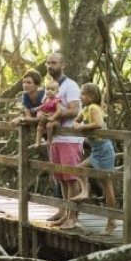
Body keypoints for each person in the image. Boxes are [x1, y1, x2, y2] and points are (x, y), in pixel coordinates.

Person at [43, 52, 84, 229]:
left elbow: (75, 110)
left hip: (69, 138)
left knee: (71, 178)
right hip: (55, 139)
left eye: (54, 63)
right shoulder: (50, 86)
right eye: (48, 63)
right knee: (60, 178)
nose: (50, 66)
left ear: (63, 65)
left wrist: (55, 116)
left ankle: (73, 216)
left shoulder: (71, 85)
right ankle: (63, 212)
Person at [74, 82, 117, 235]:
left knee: (106, 185)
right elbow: (77, 120)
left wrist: (81, 128)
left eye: (83, 94)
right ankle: (85, 191)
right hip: (96, 150)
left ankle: (111, 221)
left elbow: (98, 124)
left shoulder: (94, 108)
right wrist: (76, 123)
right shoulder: (85, 109)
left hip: (104, 150)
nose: (80, 96)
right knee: (80, 169)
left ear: (91, 96)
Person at [33, 80, 62, 146]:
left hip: (55, 120)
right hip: (46, 117)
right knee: (39, 127)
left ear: (57, 91)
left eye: (52, 89)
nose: (49, 91)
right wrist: (37, 109)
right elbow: (43, 106)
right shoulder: (46, 99)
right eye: (47, 89)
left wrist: (53, 117)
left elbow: (59, 111)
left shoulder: (56, 100)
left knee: (49, 126)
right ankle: (38, 141)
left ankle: (49, 141)